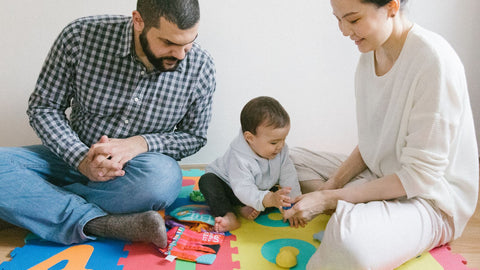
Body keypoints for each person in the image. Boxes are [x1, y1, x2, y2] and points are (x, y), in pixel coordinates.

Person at [0, 0, 216, 248]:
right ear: (138, 21)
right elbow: (44, 106)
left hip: (134, 174)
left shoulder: (201, 67)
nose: (180, 55)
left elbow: (194, 136)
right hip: (69, 154)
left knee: (162, 181)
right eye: (168, 43)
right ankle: (98, 223)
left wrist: (139, 143)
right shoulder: (80, 37)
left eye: (188, 43)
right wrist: (81, 159)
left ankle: (30, 204)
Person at [284, 0, 478, 269]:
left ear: (391, 6)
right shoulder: (368, 56)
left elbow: (419, 178)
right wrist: (331, 186)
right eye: (337, 19)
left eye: (352, 20)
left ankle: (354, 218)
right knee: (289, 158)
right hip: (383, 175)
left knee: (347, 241)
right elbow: (370, 143)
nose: (343, 31)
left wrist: (328, 198)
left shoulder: (434, 62)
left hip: (430, 201)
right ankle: (359, 214)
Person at [199, 96, 304, 232]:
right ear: (250, 138)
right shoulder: (239, 156)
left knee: (279, 195)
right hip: (231, 187)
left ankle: (250, 207)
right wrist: (268, 199)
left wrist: (293, 206)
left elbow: (289, 177)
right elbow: (242, 188)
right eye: (274, 142)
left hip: (259, 190)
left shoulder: (281, 150)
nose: (280, 146)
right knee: (207, 181)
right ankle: (229, 215)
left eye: (283, 139)